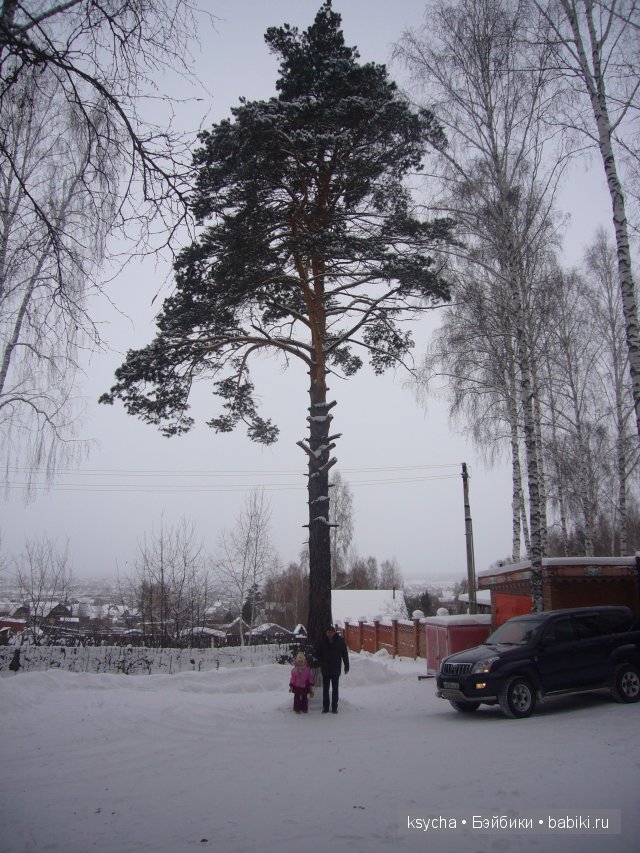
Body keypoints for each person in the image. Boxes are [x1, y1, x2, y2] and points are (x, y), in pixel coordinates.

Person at [315, 624, 349, 714]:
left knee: (335, 689)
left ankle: (334, 707)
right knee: (325, 689)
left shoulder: (340, 641)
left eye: (331, 632)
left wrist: (347, 666)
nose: (329, 634)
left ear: (334, 632)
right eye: (328, 632)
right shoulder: (322, 642)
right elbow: (318, 654)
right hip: (325, 669)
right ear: (326, 633)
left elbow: (345, 654)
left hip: (336, 669)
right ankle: (325, 707)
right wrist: (322, 662)